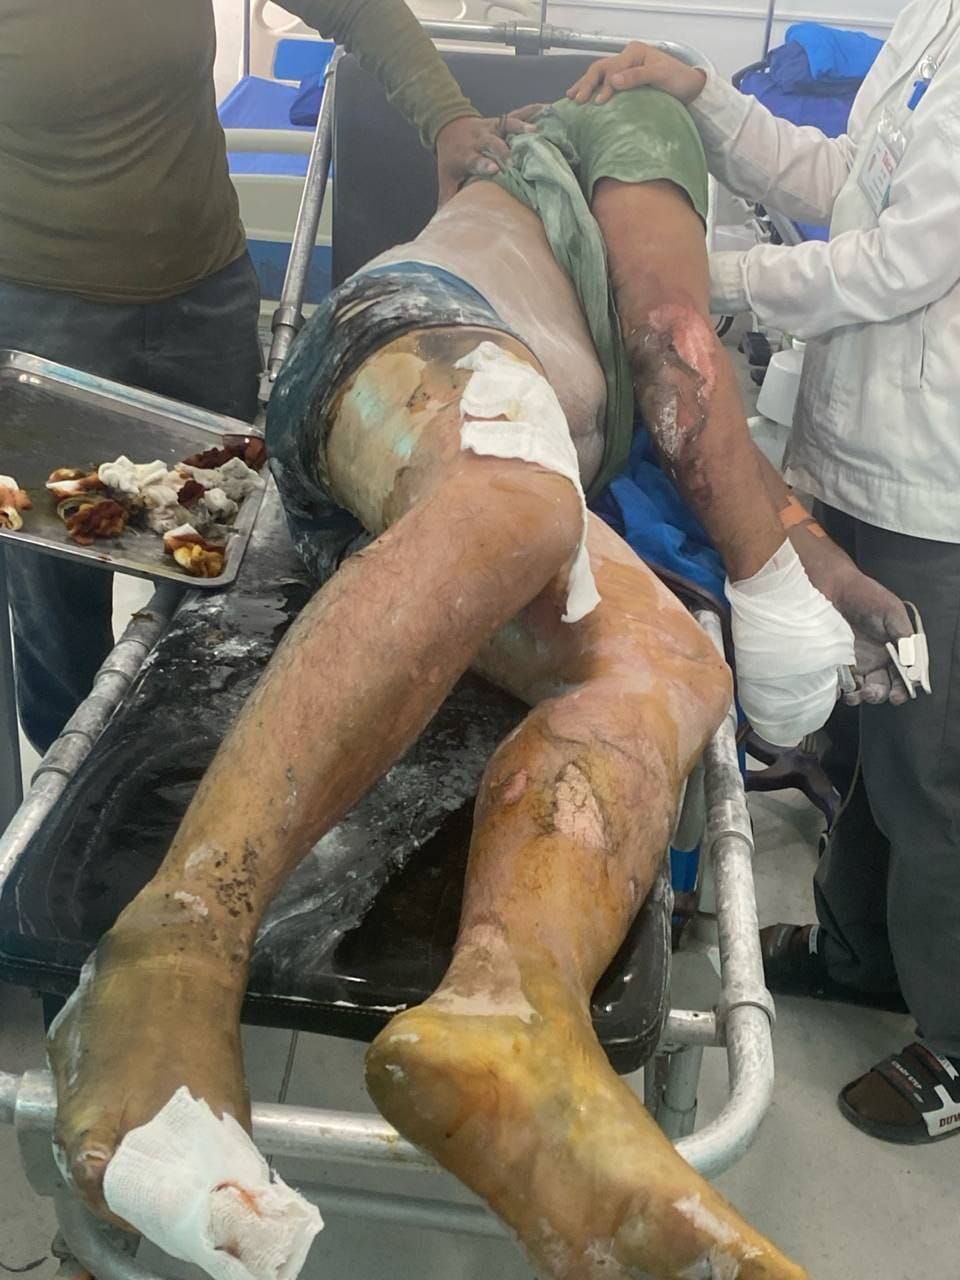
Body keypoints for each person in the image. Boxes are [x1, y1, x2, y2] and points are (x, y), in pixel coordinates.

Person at [44, 79, 920, 1278]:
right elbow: (676, 348)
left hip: (457, 469)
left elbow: (702, 411)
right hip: (412, 342)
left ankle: (515, 1010)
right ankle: (173, 943)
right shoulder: (648, 125)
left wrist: (821, 567)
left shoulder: (582, 199)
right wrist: (765, 577)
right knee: (524, 498)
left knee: (668, 663)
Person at [567, 0, 960, 1147]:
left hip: (940, 483)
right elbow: (851, 179)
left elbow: (903, 259)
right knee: (866, 734)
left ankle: (954, 1041)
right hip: (865, 443)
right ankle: (860, 952)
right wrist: (706, 99)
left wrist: (700, 275)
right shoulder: (932, 21)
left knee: (933, 771)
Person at [0, 0, 528, 755]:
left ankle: (194, 763)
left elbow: (355, 7)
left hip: (204, 304)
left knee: (225, 557)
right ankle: (70, 798)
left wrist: (448, 118)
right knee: (55, 598)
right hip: (42, 321)